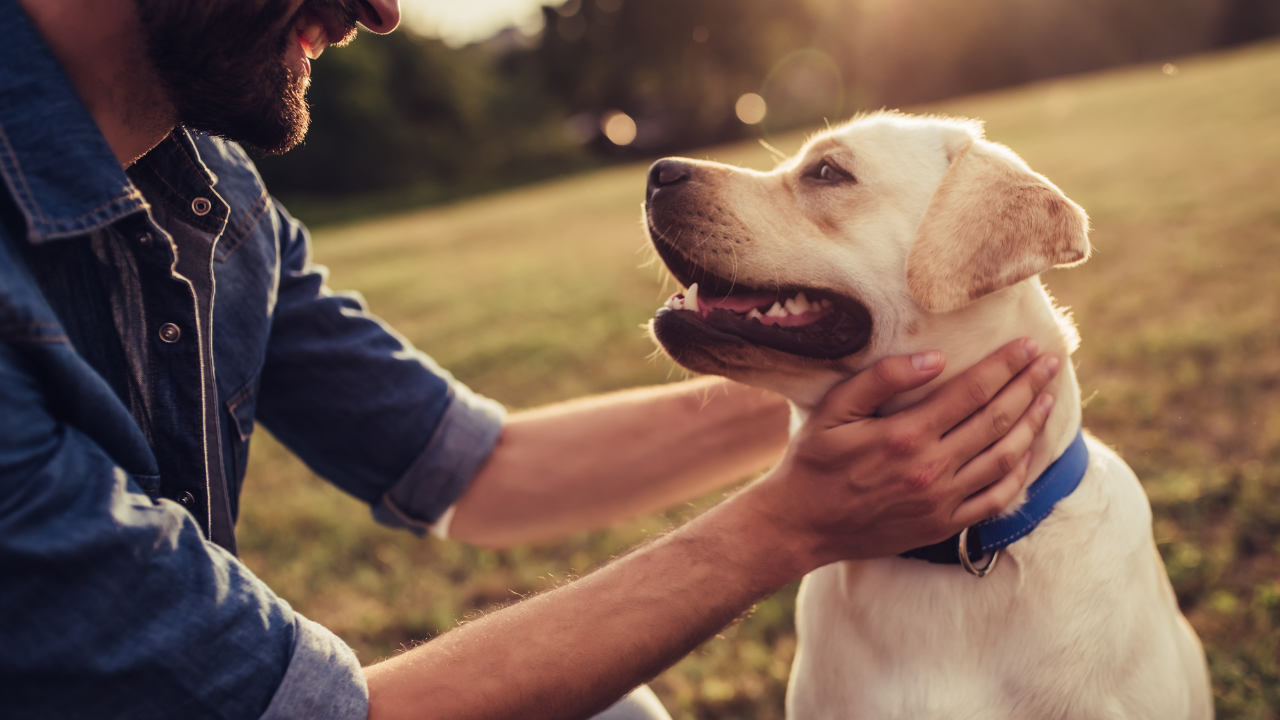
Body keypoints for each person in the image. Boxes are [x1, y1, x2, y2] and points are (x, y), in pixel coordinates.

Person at [0, 1, 1062, 718]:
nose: (383, 9)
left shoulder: (214, 197)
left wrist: (890, 377)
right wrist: (787, 523)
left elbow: (480, 468)